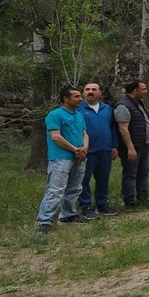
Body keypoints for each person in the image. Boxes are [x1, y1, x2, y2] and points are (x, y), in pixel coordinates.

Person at [35, 85, 88, 233]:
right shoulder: (55, 115)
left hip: (79, 157)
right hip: (60, 158)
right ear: (66, 98)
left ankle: (68, 215)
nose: (80, 99)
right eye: (77, 96)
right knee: (56, 189)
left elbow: (85, 133)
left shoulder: (79, 115)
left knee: (75, 188)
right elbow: (56, 137)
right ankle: (44, 220)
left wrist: (84, 148)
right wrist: (75, 149)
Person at [79, 82, 119, 219]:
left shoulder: (107, 109)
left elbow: (113, 128)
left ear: (100, 93)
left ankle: (102, 205)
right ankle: (85, 206)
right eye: (87, 89)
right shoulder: (78, 108)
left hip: (105, 150)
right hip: (87, 151)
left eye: (94, 89)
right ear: (83, 92)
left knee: (103, 179)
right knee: (84, 180)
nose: (90, 92)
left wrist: (114, 146)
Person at [114, 80, 149, 210]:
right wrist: (130, 148)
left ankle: (142, 198)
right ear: (135, 91)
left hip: (143, 145)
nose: (146, 91)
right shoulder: (123, 106)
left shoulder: (138, 104)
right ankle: (129, 201)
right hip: (132, 147)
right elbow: (123, 129)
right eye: (144, 89)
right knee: (130, 174)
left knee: (143, 172)